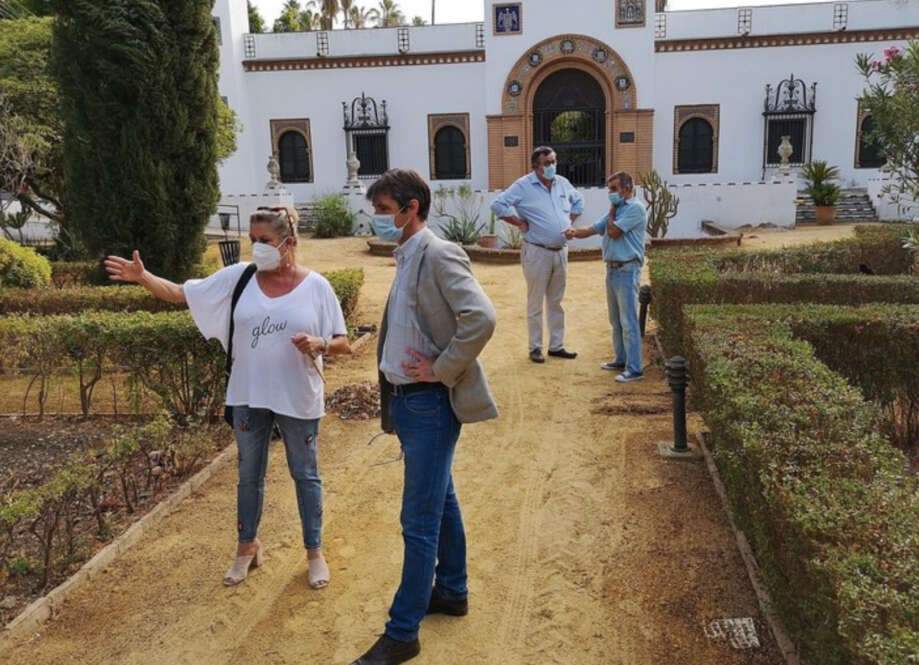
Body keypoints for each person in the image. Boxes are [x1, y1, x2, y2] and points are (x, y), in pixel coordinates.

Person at [104, 206, 350, 588]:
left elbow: (343, 343)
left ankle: (314, 552)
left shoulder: (316, 287)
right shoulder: (240, 278)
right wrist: (143, 277)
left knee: (305, 475)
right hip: (248, 395)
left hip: (298, 396)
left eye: (264, 241)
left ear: (289, 242)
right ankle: (246, 547)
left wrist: (318, 344)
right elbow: (181, 294)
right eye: (252, 240)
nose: (257, 249)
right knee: (249, 476)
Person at [349, 169, 498, 665]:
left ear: (411, 209)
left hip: (429, 404)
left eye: (386, 210)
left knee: (418, 522)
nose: (380, 219)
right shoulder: (406, 255)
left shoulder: (437, 252)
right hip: (410, 402)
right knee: (442, 500)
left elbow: (482, 316)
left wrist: (443, 367)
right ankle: (452, 591)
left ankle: (403, 631)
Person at [490, 146, 583, 364]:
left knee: (556, 301)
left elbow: (579, 200)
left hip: (560, 251)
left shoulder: (562, 183)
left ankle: (557, 345)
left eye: (554, 161)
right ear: (536, 166)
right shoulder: (523, 185)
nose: (552, 166)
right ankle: (535, 347)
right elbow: (498, 204)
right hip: (537, 251)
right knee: (535, 302)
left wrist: (569, 221)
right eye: (547, 163)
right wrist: (518, 222)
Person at [566, 171, 647, 383]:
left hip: (627, 270)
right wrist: (572, 233)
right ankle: (621, 359)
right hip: (612, 270)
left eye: (613, 189)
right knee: (616, 320)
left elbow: (612, 232)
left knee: (629, 321)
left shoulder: (634, 209)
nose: (610, 194)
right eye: (609, 189)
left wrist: (611, 211)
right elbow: (594, 229)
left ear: (627, 189)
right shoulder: (617, 209)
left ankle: (635, 369)